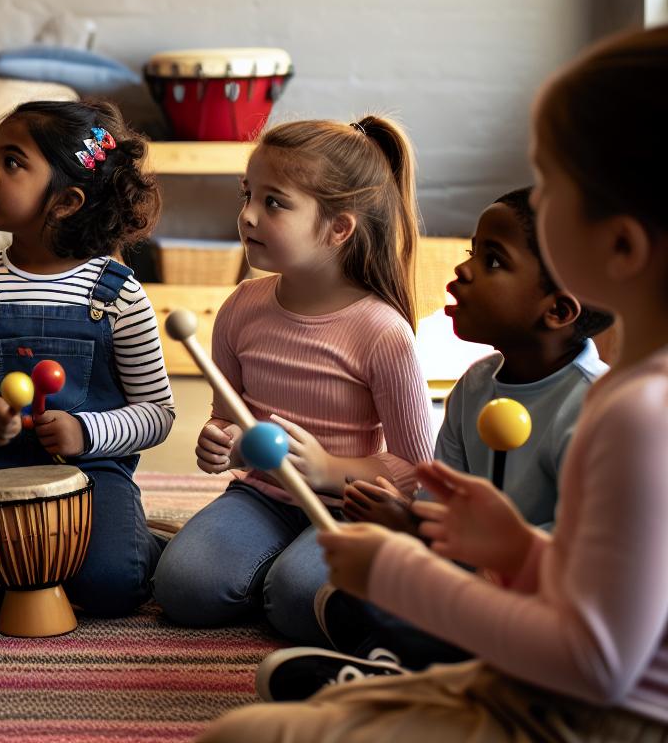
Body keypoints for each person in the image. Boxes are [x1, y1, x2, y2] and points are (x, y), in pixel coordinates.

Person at [203, 28, 668, 741]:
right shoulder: (626, 392)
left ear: (622, 245)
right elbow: (600, 595)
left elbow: (596, 666)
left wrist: (401, 576)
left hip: (597, 720)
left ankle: (386, 668)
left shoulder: (637, 411)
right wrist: (517, 550)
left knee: (239, 733)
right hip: (543, 688)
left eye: (550, 185)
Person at [255, 187, 613, 697]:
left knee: (364, 596)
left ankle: (395, 667)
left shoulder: (598, 410)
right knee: (337, 592)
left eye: (493, 261)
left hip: (549, 607)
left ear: (556, 310)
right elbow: (438, 501)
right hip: (474, 587)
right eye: (472, 251)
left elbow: (583, 557)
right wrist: (406, 520)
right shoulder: (476, 385)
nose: (464, 269)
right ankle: (403, 661)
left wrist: (472, 560)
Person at [152, 116, 433, 644]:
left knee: (300, 598)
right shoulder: (241, 307)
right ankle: (262, 574)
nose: (247, 215)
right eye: (247, 194)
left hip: (347, 508)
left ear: (339, 228)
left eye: (274, 202)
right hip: (262, 497)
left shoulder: (382, 333)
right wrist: (222, 443)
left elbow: (419, 471)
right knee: (182, 588)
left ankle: (282, 580)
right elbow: (227, 417)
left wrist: (328, 469)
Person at [0, 101, 174, 619]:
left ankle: (143, 540)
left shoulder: (119, 294)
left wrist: (85, 432)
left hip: (92, 471)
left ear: (67, 201)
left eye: (12, 162)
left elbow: (157, 413)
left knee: (114, 586)